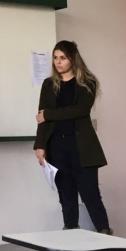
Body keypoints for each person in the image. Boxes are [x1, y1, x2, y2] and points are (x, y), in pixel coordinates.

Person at [34, 40, 112, 235]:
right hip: (57, 147)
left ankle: (105, 235)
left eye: (63, 58)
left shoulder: (87, 82)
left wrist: (49, 114)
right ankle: (70, 236)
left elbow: (80, 110)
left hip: (82, 148)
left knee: (90, 194)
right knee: (66, 196)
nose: (58, 62)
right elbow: (41, 118)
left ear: (73, 59)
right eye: (55, 58)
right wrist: (40, 145)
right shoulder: (49, 84)